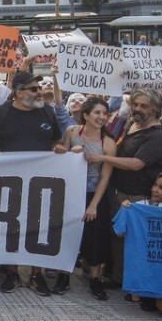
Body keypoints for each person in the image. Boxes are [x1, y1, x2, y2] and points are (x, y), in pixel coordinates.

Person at [0, 71, 66, 295]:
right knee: (11, 226)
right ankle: (12, 272)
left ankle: (35, 274)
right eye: (33, 89)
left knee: (37, 227)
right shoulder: (2, 113)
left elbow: (55, 140)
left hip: (40, 181)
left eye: (39, 88)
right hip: (9, 182)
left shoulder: (47, 111)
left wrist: (58, 148)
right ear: (19, 93)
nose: (39, 92)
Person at [82, 87, 162, 290]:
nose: (138, 109)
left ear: (155, 109)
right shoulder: (132, 124)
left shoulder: (157, 135)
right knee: (116, 237)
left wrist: (101, 157)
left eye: (144, 106)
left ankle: (131, 284)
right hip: (118, 191)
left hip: (137, 195)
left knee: (132, 242)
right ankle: (117, 277)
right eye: (135, 104)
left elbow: (137, 164)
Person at [62, 97, 115, 301]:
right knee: (68, 235)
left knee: (96, 238)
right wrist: (69, 153)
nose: (102, 117)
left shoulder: (108, 143)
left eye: (104, 113)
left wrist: (93, 205)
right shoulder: (72, 132)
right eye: (97, 113)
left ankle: (95, 280)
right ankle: (63, 276)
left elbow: (105, 177)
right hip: (71, 192)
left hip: (95, 195)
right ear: (86, 115)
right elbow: (61, 160)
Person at [115, 173, 162, 313]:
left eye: (161, 187)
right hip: (145, 278)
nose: (155, 189)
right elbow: (119, 232)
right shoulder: (138, 207)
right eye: (155, 185)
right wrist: (124, 210)